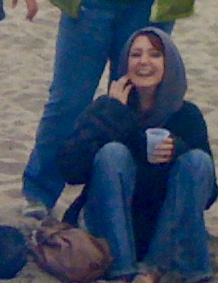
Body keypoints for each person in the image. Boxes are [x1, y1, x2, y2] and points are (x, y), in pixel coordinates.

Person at [57, 27, 218, 283]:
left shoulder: (186, 115)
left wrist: (181, 151)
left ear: (170, 64)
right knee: (113, 154)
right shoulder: (107, 106)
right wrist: (112, 114)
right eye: (135, 54)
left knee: (198, 160)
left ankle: (153, 269)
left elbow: (209, 195)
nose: (144, 62)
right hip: (110, 224)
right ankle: (121, 270)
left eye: (155, 54)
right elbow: (70, 170)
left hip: (162, 228)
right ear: (125, 63)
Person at [22, 0, 175, 219]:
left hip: (148, 6)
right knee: (68, 102)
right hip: (89, 4)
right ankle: (40, 192)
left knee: (134, 97)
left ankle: (120, 195)